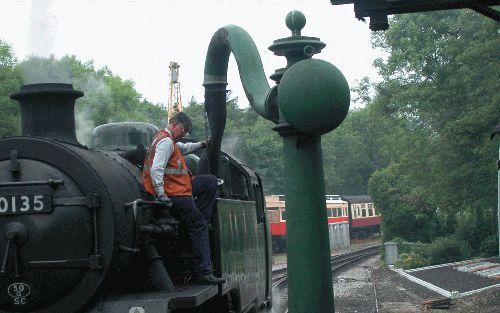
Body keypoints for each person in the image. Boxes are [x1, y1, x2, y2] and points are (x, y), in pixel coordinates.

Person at [142, 112, 225, 285]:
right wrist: (161, 193)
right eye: (183, 129)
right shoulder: (165, 142)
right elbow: (157, 168)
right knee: (199, 226)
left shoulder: (167, 140)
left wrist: (202, 144)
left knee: (210, 182)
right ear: (174, 123)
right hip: (175, 193)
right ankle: (204, 272)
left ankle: (201, 217)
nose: (184, 133)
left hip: (181, 189)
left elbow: (184, 148)